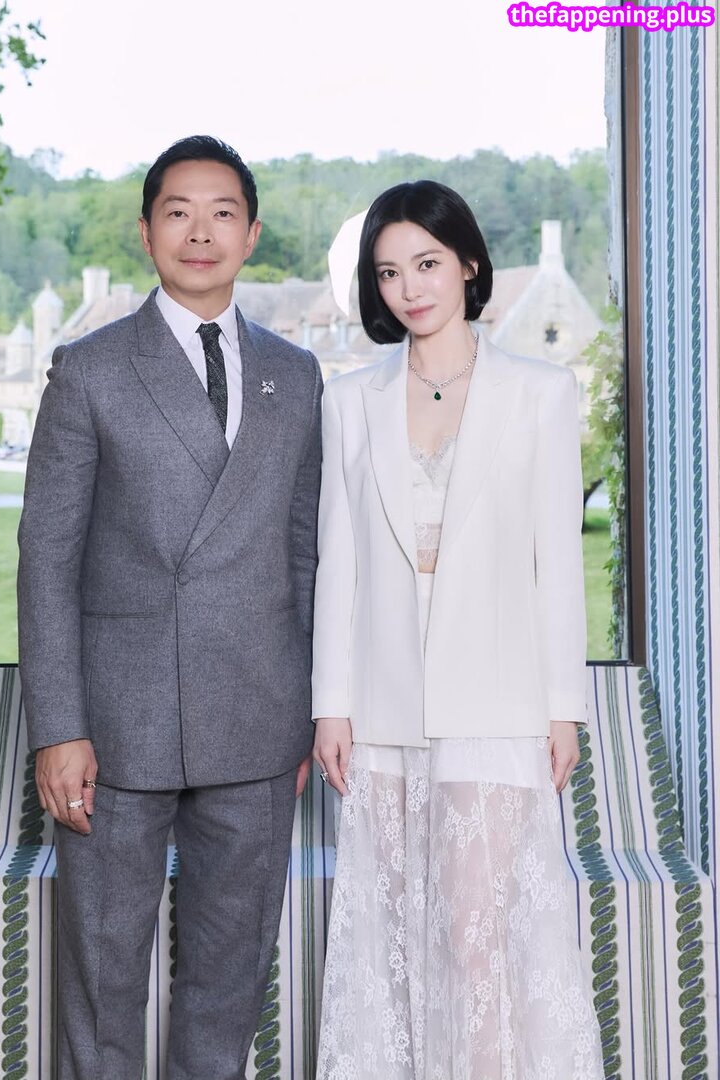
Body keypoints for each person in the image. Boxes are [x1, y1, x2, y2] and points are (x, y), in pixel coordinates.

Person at [17, 135, 322, 1080]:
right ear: (147, 231)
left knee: (229, 987)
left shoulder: (295, 373)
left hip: (258, 719)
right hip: (118, 725)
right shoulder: (91, 368)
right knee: (102, 985)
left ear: (252, 234)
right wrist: (58, 728)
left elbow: (306, 552)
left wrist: (310, 710)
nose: (201, 233)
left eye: (222, 213)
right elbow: (46, 560)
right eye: (178, 212)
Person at [311, 180, 603, 1078]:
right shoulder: (350, 400)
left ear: (470, 263)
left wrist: (564, 707)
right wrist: (331, 705)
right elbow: (338, 562)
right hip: (383, 711)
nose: (410, 288)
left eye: (428, 263)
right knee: (395, 941)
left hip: (499, 704)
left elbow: (558, 561)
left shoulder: (541, 393)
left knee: (476, 943)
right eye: (389, 272)